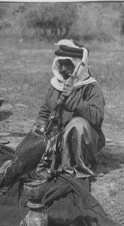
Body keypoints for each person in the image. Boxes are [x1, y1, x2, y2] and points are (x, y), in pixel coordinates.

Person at [34, 39, 105, 179]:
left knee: (77, 124)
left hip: (86, 139)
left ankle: (75, 167)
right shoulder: (55, 85)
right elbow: (44, 112)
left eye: (68, 64)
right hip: (58, 137)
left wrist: (74, 98)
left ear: (78, 65)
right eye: (61, 64)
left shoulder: (91, 87)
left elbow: (97, 118)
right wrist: (41, 128)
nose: (63, 69)